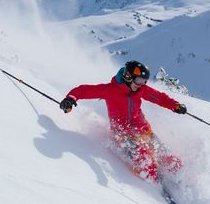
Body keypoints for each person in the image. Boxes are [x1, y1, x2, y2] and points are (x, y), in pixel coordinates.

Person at [59, 60, 187, 182]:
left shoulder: (140, 89)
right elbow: (85, 90)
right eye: (139, 80)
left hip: (143, 129)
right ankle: (153, 185)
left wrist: (175, 105)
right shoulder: (110, 90)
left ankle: (180, 178)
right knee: (146, 160)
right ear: (128, 76)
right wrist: (70, 99)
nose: (141, 84)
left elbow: (159, 98)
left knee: (165, 154)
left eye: (144, 81)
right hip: (123, 135)